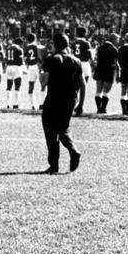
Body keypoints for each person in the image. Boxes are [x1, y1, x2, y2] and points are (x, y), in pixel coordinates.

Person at [39, 33, 85, 175]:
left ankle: (54, 165)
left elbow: (43, 82)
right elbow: (82, 84)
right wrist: (81, 104)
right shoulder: (76, 61)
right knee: (63, 128)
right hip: (70, 99)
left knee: (50, 130)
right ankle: (72, 151)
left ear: (55, 44)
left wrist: (43, 64)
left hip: (54, 98)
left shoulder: (52, 59)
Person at [93, 35, 118, 114]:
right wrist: (118, 74)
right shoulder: (114, 49)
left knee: (98, 90)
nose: (117, 40)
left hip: (99, 70)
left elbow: (96, 59)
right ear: (113, 39)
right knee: (106, 91)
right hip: (109, 71)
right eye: (117, 39)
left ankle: (98, 108)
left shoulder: (100, 48)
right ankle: (103, 108)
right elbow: (116, 63)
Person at [3, 38, 24, 108]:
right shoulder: (19, 49)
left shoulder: (8, 48)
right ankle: (15, 104)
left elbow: (5, 59)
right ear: (19, 43)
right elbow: (21, 61)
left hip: (9, 67)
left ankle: (7, 104)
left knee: (9, 86)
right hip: (16, 68)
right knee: (17, 86)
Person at [23, 33, 42, 108]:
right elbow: (40, 57)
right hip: (37, 66)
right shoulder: (37, 46)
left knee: (31, 85)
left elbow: (25, 59)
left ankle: (32, 104)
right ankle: (41, 103)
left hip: (30, 67)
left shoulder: (26, 47)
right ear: (35, 38)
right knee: (42, 85)